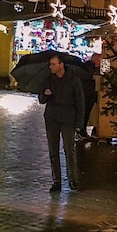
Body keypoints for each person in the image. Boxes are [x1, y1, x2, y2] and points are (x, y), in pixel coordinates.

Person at [39, 54, 86, 192]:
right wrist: (45, 95)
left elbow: (80, 102)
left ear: (61, 65)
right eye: (50, 64)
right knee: (53, 151)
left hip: (68, 119)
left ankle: (72, 179)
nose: (51, 67)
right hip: (52, 118)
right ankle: (57, 181)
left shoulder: (73, 81)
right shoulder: (48, 79)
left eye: (53, 64)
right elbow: (41, 99)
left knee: (68, 149)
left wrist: (79, 122)